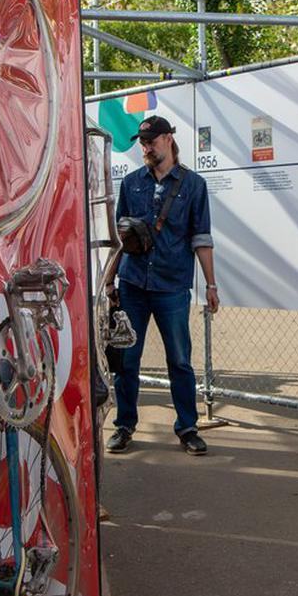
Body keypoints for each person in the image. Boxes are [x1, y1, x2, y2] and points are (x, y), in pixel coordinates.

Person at [106, 115, 219, 456]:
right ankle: (124, 425)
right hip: (133, 283)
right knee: (127, 360)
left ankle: (187, 427)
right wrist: (110, 282)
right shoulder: (130, 183)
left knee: (180, 360)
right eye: (142, 141)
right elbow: (119, 238)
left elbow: (202, 238)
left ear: (169, 139)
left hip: (171, 284)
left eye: (152, 140)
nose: (146, 147)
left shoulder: (193, 185)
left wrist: (211, 285)